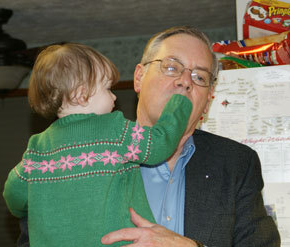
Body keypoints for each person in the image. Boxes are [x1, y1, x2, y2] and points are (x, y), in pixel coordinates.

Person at [101, 26, 281, 246]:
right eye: (171, 67)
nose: (185, 81)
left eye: (199, 76)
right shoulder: (96, 154)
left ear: (208, 100)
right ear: (139, 78)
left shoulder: (237, 164)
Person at [3, 43, 193, 246]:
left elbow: (13, 195)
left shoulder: (38, 148)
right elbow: (159, 144)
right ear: (81, 94)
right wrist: (178, 105)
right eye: (107, 88)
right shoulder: (116, 131)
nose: (114, 96)